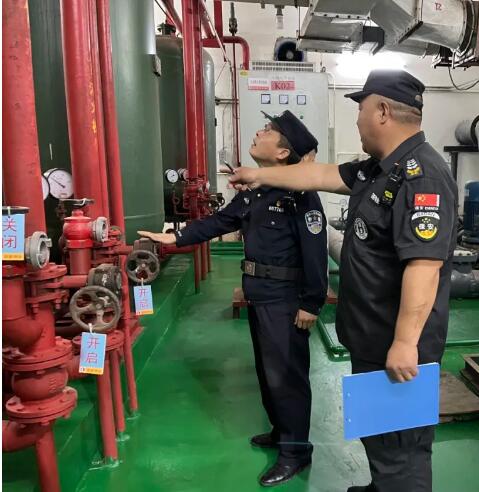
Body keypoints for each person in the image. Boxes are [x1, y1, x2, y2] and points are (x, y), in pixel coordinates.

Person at [228, 69, 458, 492]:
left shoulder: (421, 175)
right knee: (380, 434)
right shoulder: (379, 170)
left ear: (383, 111)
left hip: (394, 342)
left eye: (361, 109)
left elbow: (424, 267)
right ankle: (381, 485)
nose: (357, 119)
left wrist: (405, 342)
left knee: (401, 447)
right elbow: (319, 175)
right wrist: (258, 175)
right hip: (371, 335)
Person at [138, 110, 328, 487]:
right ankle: (281, 431)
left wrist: (312, 303)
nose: (259, 132)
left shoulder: (300, 196)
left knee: (287, 378)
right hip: (260, 295)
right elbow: (219, 222)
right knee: (268, 373)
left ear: (283, 153)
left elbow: (315, 251)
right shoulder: (256, 193)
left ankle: (296, 452)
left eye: (269, 130)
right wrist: (175, 238)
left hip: (286, 299)